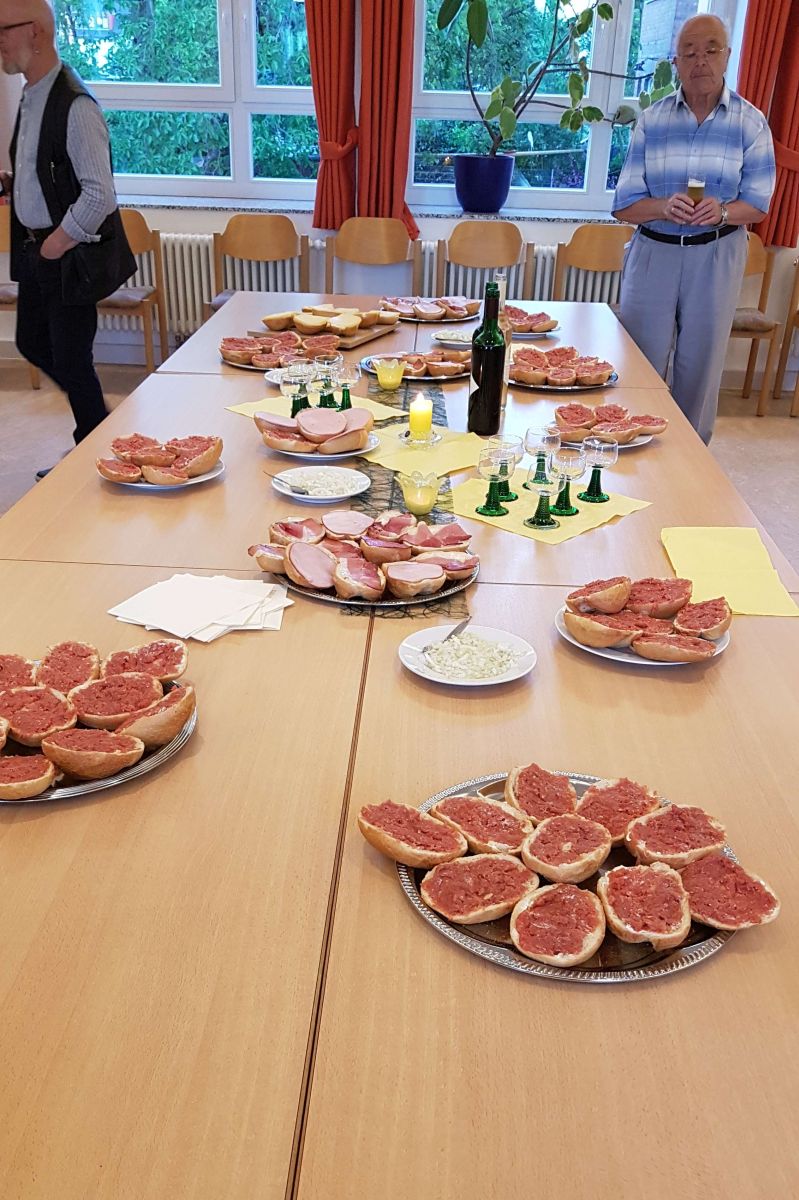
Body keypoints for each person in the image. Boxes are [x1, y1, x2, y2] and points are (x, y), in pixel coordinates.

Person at [612, 14, 775, 444]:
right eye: (689, 53)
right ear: (676, 63)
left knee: (700, 368)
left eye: (710, 50)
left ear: (727, 56)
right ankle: (631, 451)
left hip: (717, 254)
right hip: (654, 251)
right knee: (640, 363)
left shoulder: (751, 123)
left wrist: (722, 211)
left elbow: (758, 204)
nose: (700, 60)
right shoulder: (652, 120)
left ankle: (691, 460)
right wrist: (663, 206)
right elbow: (623, 205)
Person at [0, 0, 135, 471]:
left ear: (35, 32)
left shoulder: (75, 105)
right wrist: (13, 185)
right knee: (33, 344)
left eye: (3, 29)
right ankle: (100, 431)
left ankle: (97, 449)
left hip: (67, 255)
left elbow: (100, 195)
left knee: (71, 359)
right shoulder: (32, 95)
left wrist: (55, 245)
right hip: (39, 252)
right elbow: (45, 168)